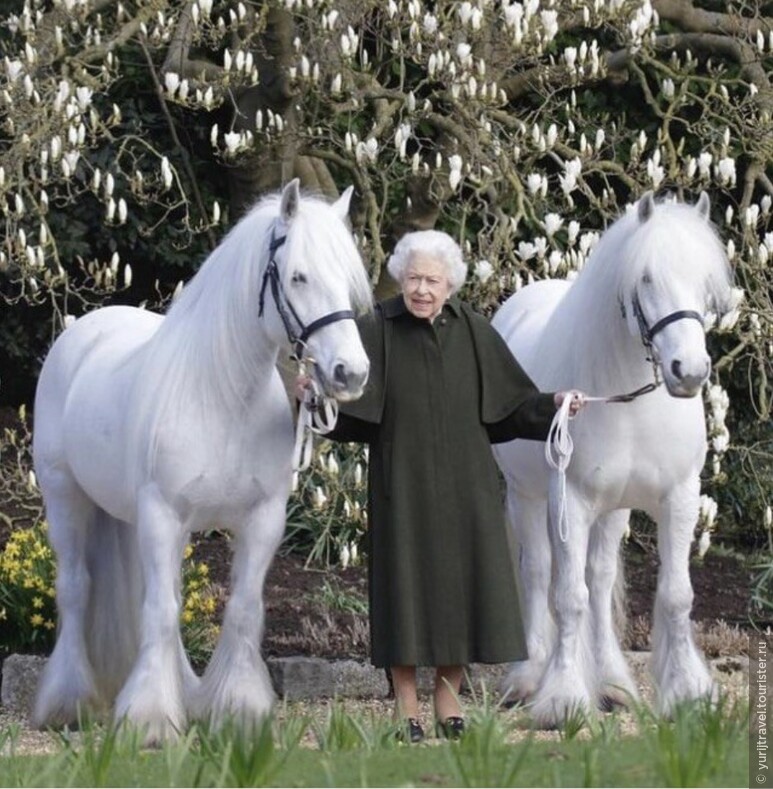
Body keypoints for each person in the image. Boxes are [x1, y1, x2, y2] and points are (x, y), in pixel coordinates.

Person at [297, 229, 585, 743]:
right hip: (400, 484)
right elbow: (347, 413)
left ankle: (448, 697)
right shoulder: (377, 329)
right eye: (412, 279)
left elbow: (511, 407)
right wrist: (312, 397)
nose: (421, 289)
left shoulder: (473, 330)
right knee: (404, 592)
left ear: (450, 283)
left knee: (461, 592)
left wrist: (557, 403)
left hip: (467, 486)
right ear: (399, 280)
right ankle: (406, 704)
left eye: (431, 279)